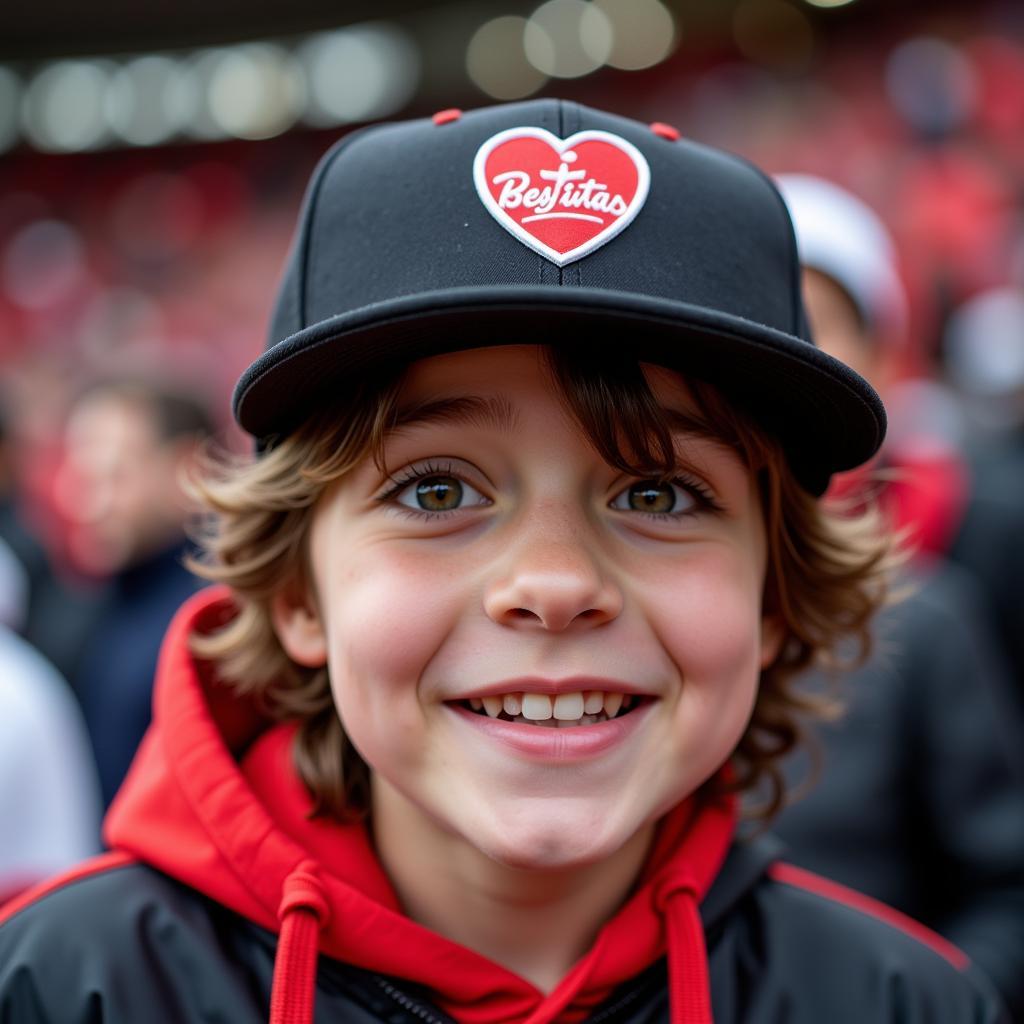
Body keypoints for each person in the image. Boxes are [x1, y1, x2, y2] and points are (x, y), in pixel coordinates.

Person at [0, 101, 1005, 1023]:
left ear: (772, 594)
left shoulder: (908, 1004)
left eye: (657, 494)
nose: (554, 585)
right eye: (437, 491)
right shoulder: (58, 988)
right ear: (300, 591)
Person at [771, 173, 1024, 1017]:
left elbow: (1005, 888)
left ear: (878, 357)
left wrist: (925, 999)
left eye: (812, 326)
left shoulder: (932, 604)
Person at [55, 378, 214, 806]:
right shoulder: (102, 603)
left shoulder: (217, 621)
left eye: (113, 475)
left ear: (187, 471)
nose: (84, 503)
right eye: (79, 475)